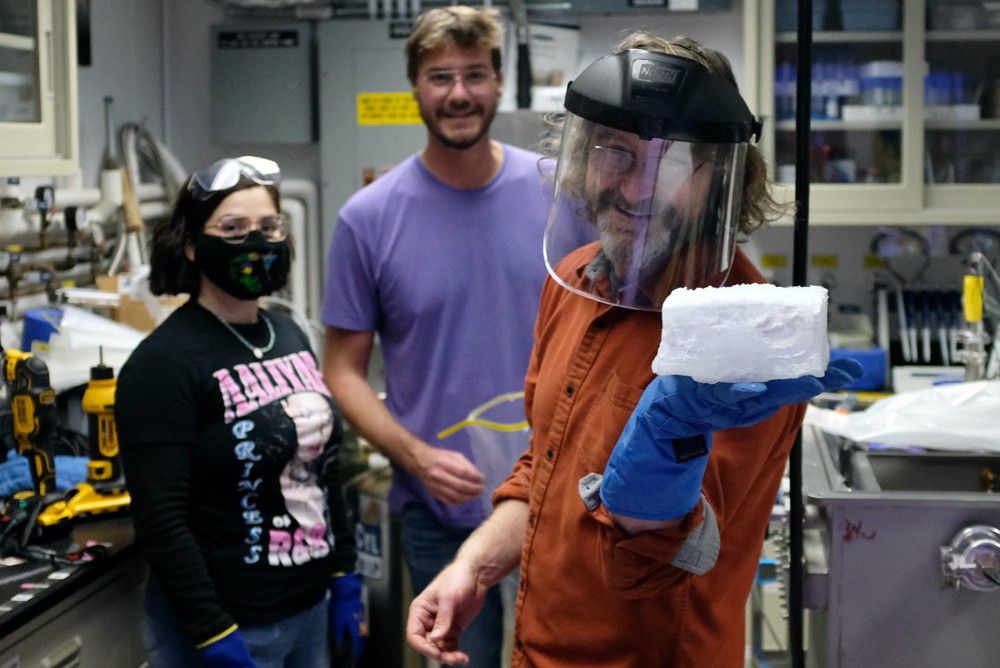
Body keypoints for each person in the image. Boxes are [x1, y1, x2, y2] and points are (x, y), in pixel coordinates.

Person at [405, 33, 863, 667]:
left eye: (672, 163)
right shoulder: (574, 280)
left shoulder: (750, 337)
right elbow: (545, 466)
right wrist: (474, 568)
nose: (636, 188)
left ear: (717, 179)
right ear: (582, 156)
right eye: (615, 151)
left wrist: (661, 452)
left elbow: (668, 556)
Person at [321, 6, 549, 667]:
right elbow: (342, 370)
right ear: (415, 88)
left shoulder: (556, 194)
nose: (458, 93)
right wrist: (415, 457)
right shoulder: (368, 219)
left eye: (474, 74)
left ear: (498, 81)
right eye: (440, 76)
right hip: (438, 510)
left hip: (554, 499)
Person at [116, 156, 365, 668]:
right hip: (231, 626)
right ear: (191, 245)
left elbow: (323, 470)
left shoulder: (288, 335)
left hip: (309, 609)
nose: (256, 242)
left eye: (268, 227)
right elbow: (162, 520)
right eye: (232, 229)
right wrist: (212, 630)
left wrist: (344, 575)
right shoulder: (162, 363)